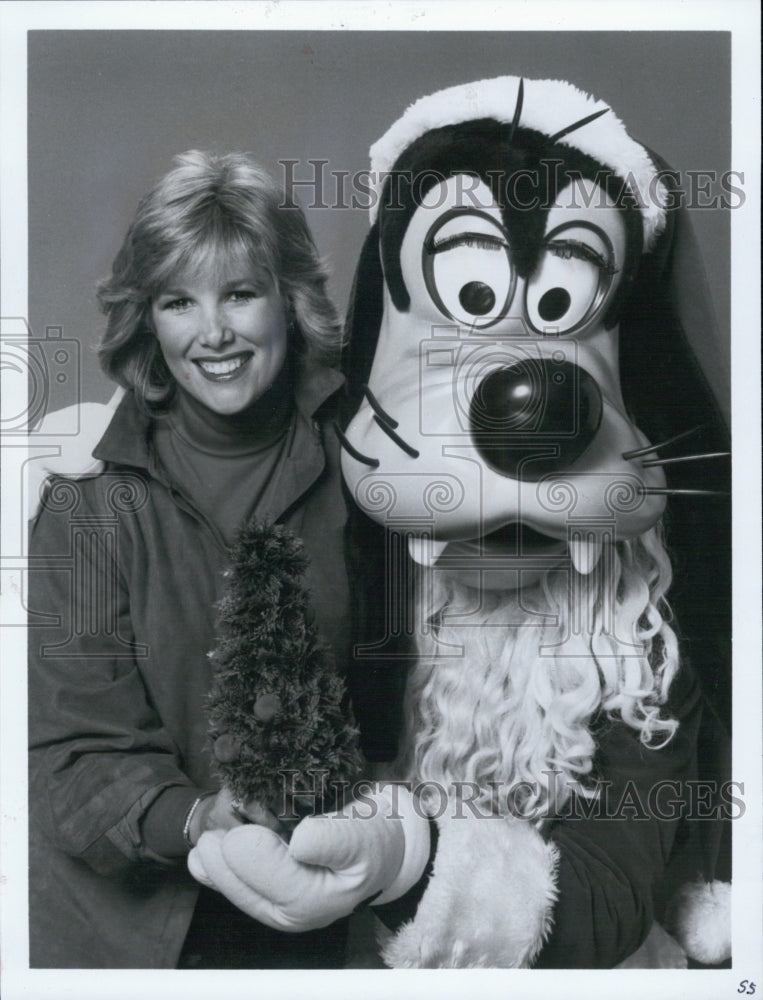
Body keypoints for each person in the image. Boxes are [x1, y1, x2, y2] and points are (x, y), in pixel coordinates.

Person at [27, 150, 427, 970]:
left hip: (312, 913)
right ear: (148, 318)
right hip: (125, 940)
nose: (212, 334)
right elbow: (71, 756)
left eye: (239, 294)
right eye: (179, 301)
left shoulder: (364, 467)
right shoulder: (89, 502)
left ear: (289, 300)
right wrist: (193, 818)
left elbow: (402, 702)